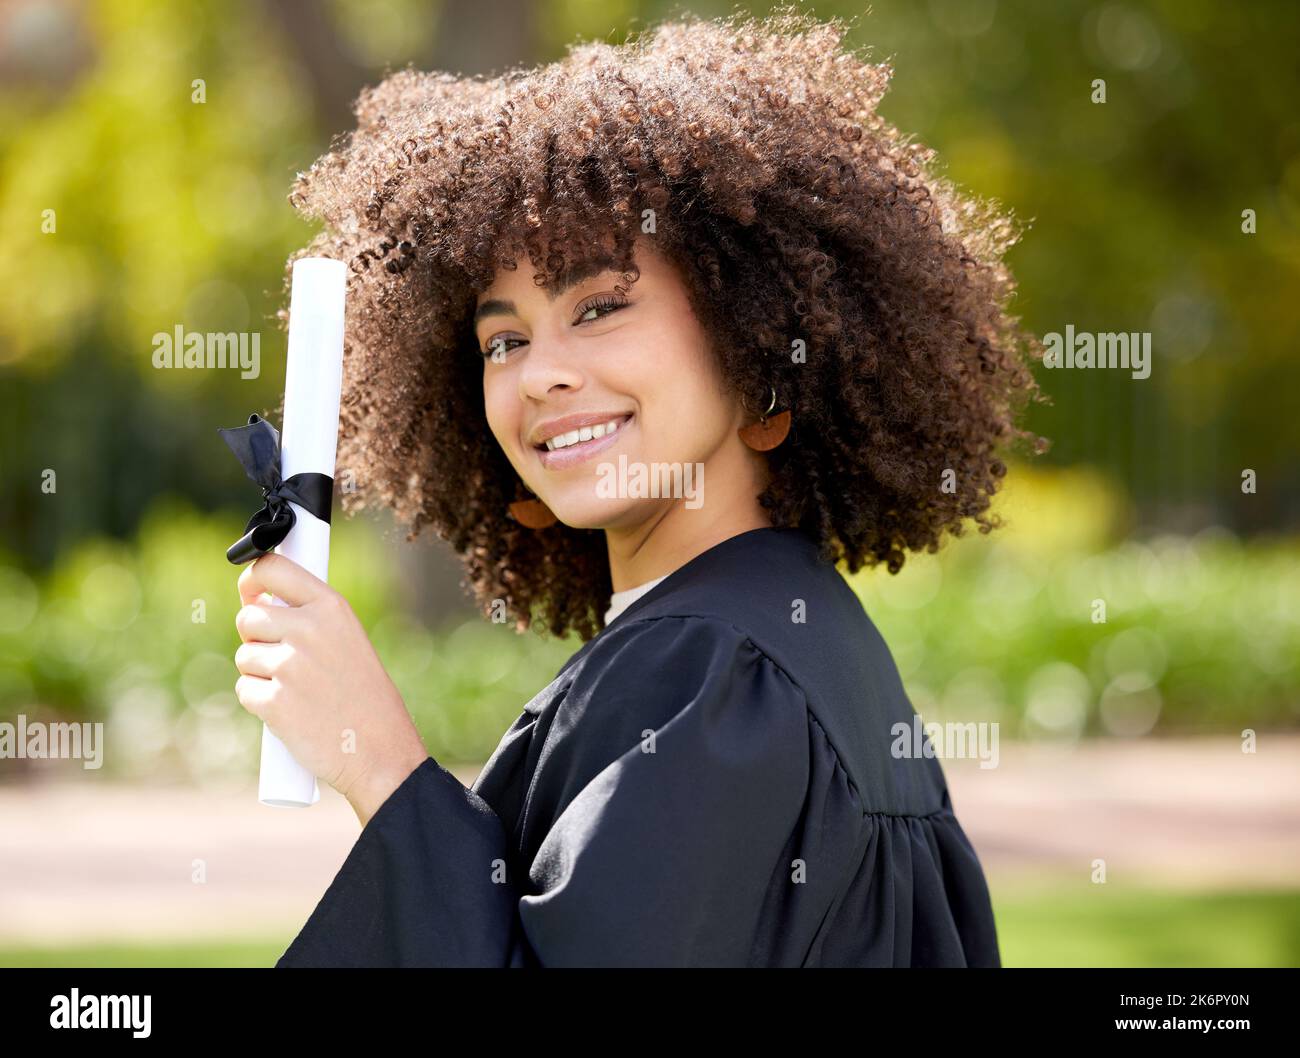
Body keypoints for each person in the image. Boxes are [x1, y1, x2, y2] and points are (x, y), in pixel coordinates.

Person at [234, 7, 1044, 967]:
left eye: (602, 306)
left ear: (756, 339)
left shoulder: (708, 674)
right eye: (504, 339)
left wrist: (377, 759)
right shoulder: (792, 636)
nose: (541, 375)